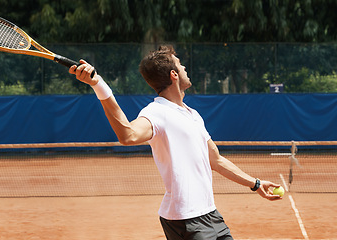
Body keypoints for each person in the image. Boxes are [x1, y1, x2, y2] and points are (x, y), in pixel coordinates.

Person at [69, 45, 282, 240]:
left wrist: (255, 184)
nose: (185, 67)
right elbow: (128, 135)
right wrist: (99, 85)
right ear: (174, 75)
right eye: (180, 65)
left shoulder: (193, 115)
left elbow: (216, 160)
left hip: (211, 214)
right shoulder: (156, 113)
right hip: (185, 220)